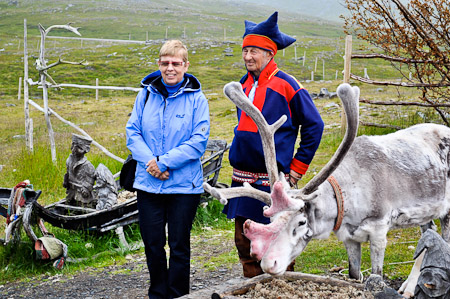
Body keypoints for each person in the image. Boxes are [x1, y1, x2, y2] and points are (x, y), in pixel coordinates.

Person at [223, 12, 325, 278]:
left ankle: (282, 290)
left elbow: (315, 125)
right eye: (245, 50)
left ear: (270, 53)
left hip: (273, 180)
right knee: (245, 242)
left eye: (253, 51)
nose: (247, 57)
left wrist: (296, 170)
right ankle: (253, 289)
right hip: (242, 179)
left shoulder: (288, 84)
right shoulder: (243, 85)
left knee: (279, 243)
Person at [125, 40, 210, 299]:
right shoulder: (146, 94)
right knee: (152, 244)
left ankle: (178, 295)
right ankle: (158, 295)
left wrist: (163, 162)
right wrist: (151, 162)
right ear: (159, 64)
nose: (170, 68)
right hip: (149, 184)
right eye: (165, 63)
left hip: (184, 186)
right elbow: (133, 132)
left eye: (176, 63)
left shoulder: (197, 99)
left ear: (185, 65)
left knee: (179, 245)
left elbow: (198, 141)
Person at [63, 133, 96, 207]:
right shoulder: (69, 160)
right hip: (71, 191)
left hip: (82, 193)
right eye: (73, 145)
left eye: (78, 147)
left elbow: (90, 180)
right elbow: (68, 172)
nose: (74, 149)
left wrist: (86, 188)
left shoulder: (88, 165)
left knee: (84, 206)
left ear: (85, 150)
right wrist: (66, 181)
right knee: (70, 204)